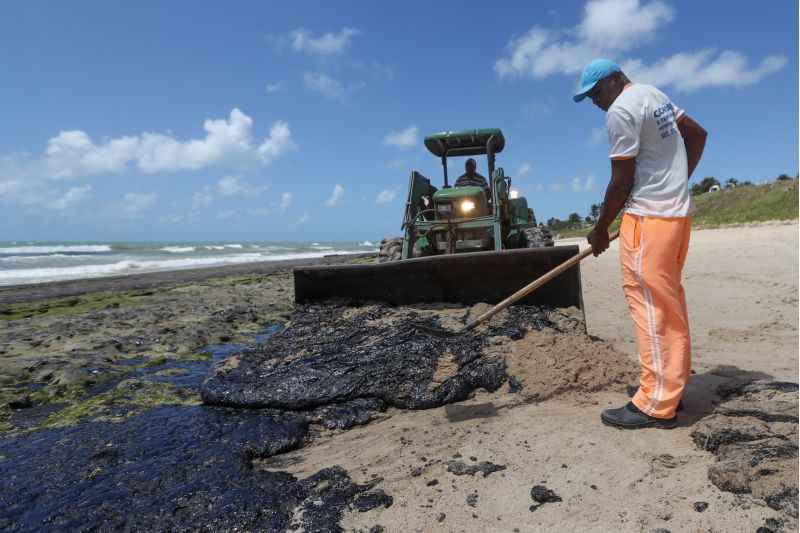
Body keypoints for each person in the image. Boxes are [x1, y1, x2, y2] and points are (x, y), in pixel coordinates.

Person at [574, 58, 707, 429]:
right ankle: (669, 389)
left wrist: (600, 229)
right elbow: (697, 134)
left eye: (596, 92)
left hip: (648, 221)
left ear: (616, 80)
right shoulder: (653, 95)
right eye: (590, 97)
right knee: (667, 304)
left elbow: (621, 179)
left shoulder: (620, 111)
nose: (596, 102)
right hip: (677, 216)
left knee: (650, 308)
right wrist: (675, 184)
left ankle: (654, 403)